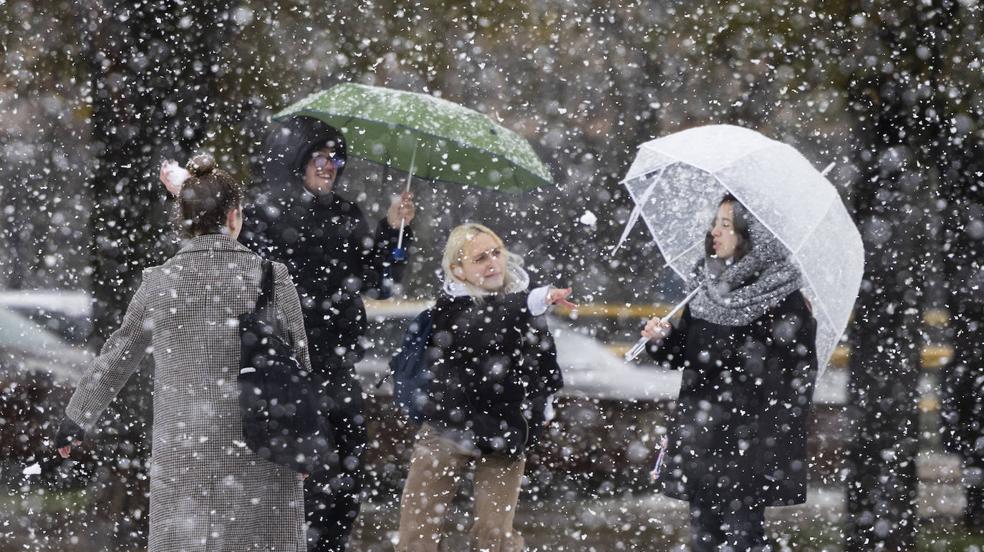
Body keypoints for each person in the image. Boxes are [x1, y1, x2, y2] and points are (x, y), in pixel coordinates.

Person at [55, 154, 311, 552]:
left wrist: (77, 417)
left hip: (185, 453)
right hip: (263, 446)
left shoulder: (160, 283)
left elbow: (118, 355)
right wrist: (307, 440)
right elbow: (299, 362)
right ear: (234, 217)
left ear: (183, 222)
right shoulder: (270, 276)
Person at [240, 119, 417, 552]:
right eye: (319, 157)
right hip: (284, 372)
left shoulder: (344, 212)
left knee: (345, 483)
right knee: (300, 487)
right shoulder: (260, 215)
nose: (330, 166)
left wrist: (395, 230)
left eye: (336, 158)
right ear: (294, 160)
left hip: (339, 369)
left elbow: (377, 282)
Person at [640, 194, 818, 551]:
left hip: (749, 440)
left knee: (743, 538)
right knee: (704, 538)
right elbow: (686, 356)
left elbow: (798, 376)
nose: (714, 233)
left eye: (725, 224)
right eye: (715, 223)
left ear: (752, 235)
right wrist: (662, 339)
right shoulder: (706, 288)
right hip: (701, 434)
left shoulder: (783, 297)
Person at [395, 222, 572, 552]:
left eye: (496, 253)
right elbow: (479, 326)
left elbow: (545, 363)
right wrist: (532, 301)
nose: (492, 263)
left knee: (496, 537)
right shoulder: (449, 308)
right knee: (417, 534)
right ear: (457, 270)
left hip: (505, 430)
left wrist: (543, 406)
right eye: (479, 258)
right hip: (446, 428)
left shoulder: (523, 305)